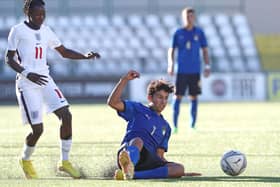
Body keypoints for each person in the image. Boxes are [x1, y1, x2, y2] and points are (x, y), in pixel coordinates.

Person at [5, 0, 100, 179]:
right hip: (27, 83)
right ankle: (25, 159)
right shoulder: (17, 31)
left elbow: (63, 52)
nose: (41, 17)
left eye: (43, 14)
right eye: (37, 14)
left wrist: (85, 57)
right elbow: (9, 59)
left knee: (66, 115)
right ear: (28, 13)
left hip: (46, 80)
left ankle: (64, 162)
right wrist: (27, 73)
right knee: (38, 130)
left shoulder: (46, 31)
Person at [107, 70, 200, 180]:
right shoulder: (137, 109)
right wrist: (124, 80)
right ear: (150, 98)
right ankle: (128, 165)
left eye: (166, 98)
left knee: (179, 168)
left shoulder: (166, 127)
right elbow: (112, 102)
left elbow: (159, 156)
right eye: (160, 97)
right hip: (129, 151)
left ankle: (132, 174)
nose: (163, 102)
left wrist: (178, 171)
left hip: (149, 161)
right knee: (138, 140)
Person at [167, 7, 211, 133]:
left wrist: (207, 66)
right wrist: (170, 64)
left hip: (195, 71)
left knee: (194, 97)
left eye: (191, 16)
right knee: (177, 96)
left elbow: (205, 50)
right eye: (187, 16)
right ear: (183, 18)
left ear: (194, 17)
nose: (189, 19)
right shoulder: (178, 32)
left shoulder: (199, 32)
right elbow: (171, 50)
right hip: (181, 70)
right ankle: (174, 126)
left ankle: (192, 125)